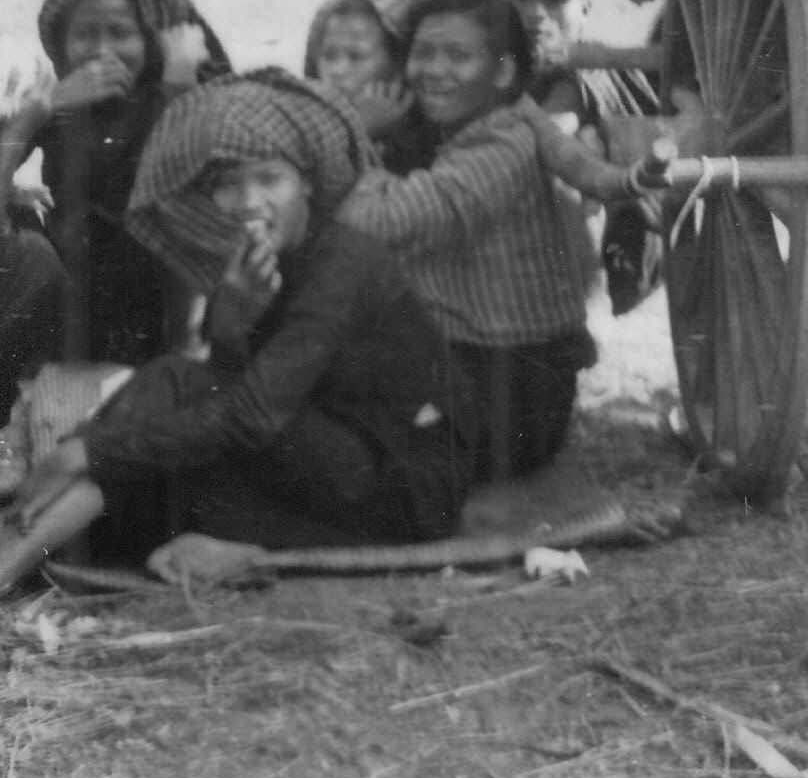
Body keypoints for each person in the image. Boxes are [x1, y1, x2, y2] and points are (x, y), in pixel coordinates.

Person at [0, 73, 472, 592]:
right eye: (228, 183)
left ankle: (13, 556)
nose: (248, 201)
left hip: (401, 486)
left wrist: (89, 451)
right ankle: (33, 536)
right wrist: (233, 313)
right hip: (322, 456)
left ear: (308, 183)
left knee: (172, 395)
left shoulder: (343, 263)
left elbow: (249, 415)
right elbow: (229, 373)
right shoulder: (265, 259)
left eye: (269, 179)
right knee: (159, 447)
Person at [336, 0, 630, 484]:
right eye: (423, 53)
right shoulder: (486, 128)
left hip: (508, 412)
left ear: (503, 73)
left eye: (458, 56)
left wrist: (358, 131)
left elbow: (373, 224)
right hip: (488, 381)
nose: (434, 70)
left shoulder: (501, 149)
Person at [0, 0, 236, 397]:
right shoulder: (58, 101)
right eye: (85, 34)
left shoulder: (182, 93)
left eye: (121, 33)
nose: (102, 51)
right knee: (25, 247)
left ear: (152, 40)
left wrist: (178, 84)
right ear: (60, 42)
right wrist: (34, 114)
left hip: (162, 308)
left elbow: (194, 190)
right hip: (76, 310)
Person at [491, 0, 664, 314]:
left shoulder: (591, 76)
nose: (536, 14)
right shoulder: (494, 65)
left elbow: (552, 137)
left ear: (583, 10)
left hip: (601, 240)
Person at [302, 0, 419, 159]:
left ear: (399, 65)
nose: (337, 71)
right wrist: (363, 131)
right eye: (328, 56)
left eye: (356, 56)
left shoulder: (438, 141)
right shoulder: (298, 132)